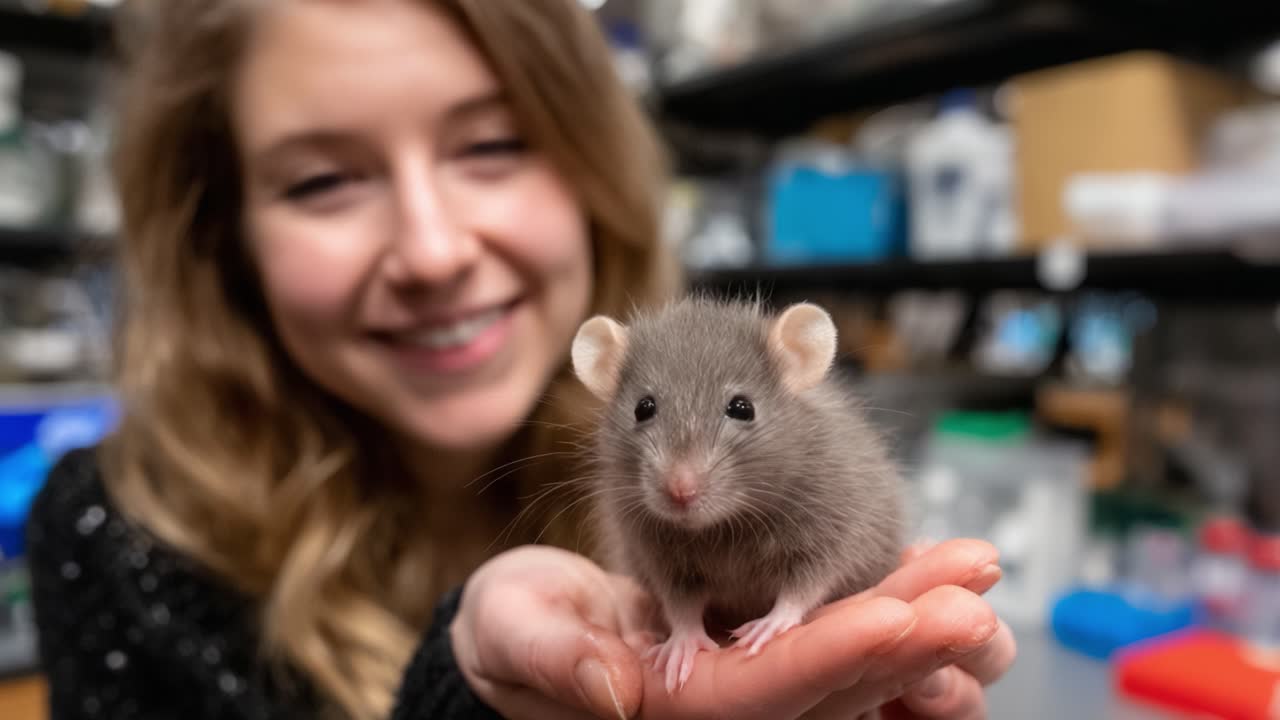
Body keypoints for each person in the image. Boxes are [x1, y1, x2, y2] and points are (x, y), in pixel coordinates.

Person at [24, 1, 1016, 719]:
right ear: (221, 229)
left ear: (590, 168)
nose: (433, 251)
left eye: (491, 145)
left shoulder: (715, 440)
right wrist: (464, 705)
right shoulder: (114, 537)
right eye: (323, 179)